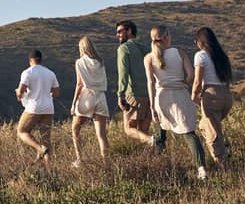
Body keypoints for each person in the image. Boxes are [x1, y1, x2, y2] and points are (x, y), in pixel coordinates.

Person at [144, 25, 208, 180]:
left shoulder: (148, 57)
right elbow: (191, 74)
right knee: (188, 132)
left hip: (161, 97)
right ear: (166, 37)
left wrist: (152, 106)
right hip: (180, 95)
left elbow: (150, 82)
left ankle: (160, 169)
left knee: (160, 134)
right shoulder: (179, 52)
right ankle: (202, 168)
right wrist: (183, 83)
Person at [191, 27, 233, 169]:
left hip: (211, 94)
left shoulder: (200, 56)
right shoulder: (222, 55)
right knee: (205, 126)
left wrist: (194, 95)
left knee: (212, 133)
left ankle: (222, 163)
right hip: (226, 95)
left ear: (200, 41)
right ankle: (224, 147)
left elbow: (198, 80)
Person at [116, 20, 163, 149]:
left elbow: (123, 74)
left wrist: (120, 95)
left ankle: (152, 141)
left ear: (129, 31)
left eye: (120, 31)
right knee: (143, 131)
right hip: (149, 95)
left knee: (129, 129)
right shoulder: (145, 49)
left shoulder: (123, 49)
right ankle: (149, 159)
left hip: (133, 95)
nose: (118, 35)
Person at [69, 36, 109, 168]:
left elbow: (79, 84)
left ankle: (80, 159)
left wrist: (74, 102)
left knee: (75, 129)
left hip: (87, 96)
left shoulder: (79, 62)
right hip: (101, 97)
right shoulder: (100, 61)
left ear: (82, 48)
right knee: (101, 134)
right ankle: (106, 163)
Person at [15, 49, 60, 167]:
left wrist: (19, 95)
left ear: (30, 60)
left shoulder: (27, 72)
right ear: (41, 60)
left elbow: (21, 91)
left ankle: (39, 148)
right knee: (46, 138)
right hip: (48, 108)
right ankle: (49, 169)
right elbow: (56, 93)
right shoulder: (50, 73)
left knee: (22, 131)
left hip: (33, 108)